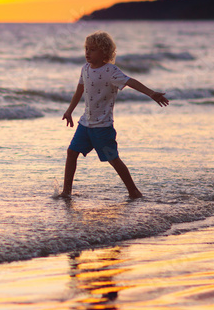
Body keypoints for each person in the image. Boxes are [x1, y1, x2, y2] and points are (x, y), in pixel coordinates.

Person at [60, 31, 169, 199]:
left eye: (93, 49)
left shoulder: (111, 71)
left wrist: (151, 93)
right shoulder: (85, 68)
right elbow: (79, 90)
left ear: (104, 52)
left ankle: (134, 191)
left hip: (103, 127)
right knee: (71, 153)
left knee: (113, 159)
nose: (87, 53)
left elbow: (130, 81)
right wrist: (69, 111)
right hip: (85, 124)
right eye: (86, 49)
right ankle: (66, 192)